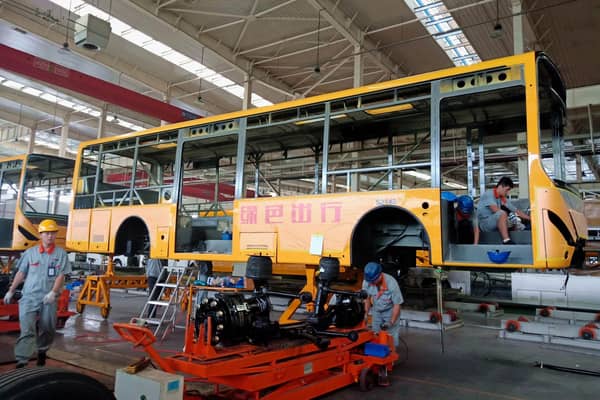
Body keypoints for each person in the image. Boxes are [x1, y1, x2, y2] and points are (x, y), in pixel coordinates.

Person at [2, 219, 70, 368]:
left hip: (48, 299)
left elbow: (61, 275)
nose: (50, 236)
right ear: (41, 235)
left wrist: (53, 292)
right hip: (29, 297)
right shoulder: (30, 253)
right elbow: (21, 272)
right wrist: (11, 290)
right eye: (46, 233)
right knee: (27, 329)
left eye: (52, 233)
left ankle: (41, 352)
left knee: (48, 328)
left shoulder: (61, 254)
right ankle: (22, 360)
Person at [476, 177, 530, 244]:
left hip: (492, 223)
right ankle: (506, 240)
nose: (507, 192)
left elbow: (516, 210)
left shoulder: (501, 198)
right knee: (502, 214)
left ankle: (518, 240)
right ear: (501, 186)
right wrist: (506, 220)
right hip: (484, 224)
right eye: (507, 190)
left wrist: (530, 218)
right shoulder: (489, 194)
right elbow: (495, 209)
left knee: (514, 222)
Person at [362, 262, 404, 347]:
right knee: (375, 334)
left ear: (380, 275)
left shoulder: (391, 283)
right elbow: (367, 299)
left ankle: (392, 355)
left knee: (391, 335)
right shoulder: (367, 281)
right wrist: (366, 314)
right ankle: (378, 355)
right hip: (376, 310)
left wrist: (391, 322)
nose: (372, 283)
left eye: (374, 281)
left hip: (390, 310)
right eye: (370, 281)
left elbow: (397, 305)